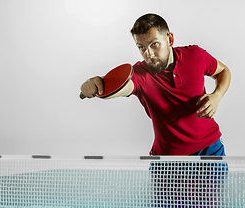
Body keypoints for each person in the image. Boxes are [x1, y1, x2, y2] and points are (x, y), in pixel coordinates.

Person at [80, 13, 231, 156]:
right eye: (141, 47)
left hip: (210, 148)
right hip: (168, 160)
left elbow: (223, 71)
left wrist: (216, 96)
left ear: (170, 39)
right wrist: (98, 82)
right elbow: (121, 87)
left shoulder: (195, 55)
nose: (149, 54)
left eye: (154, 44)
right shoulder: (140, 74)